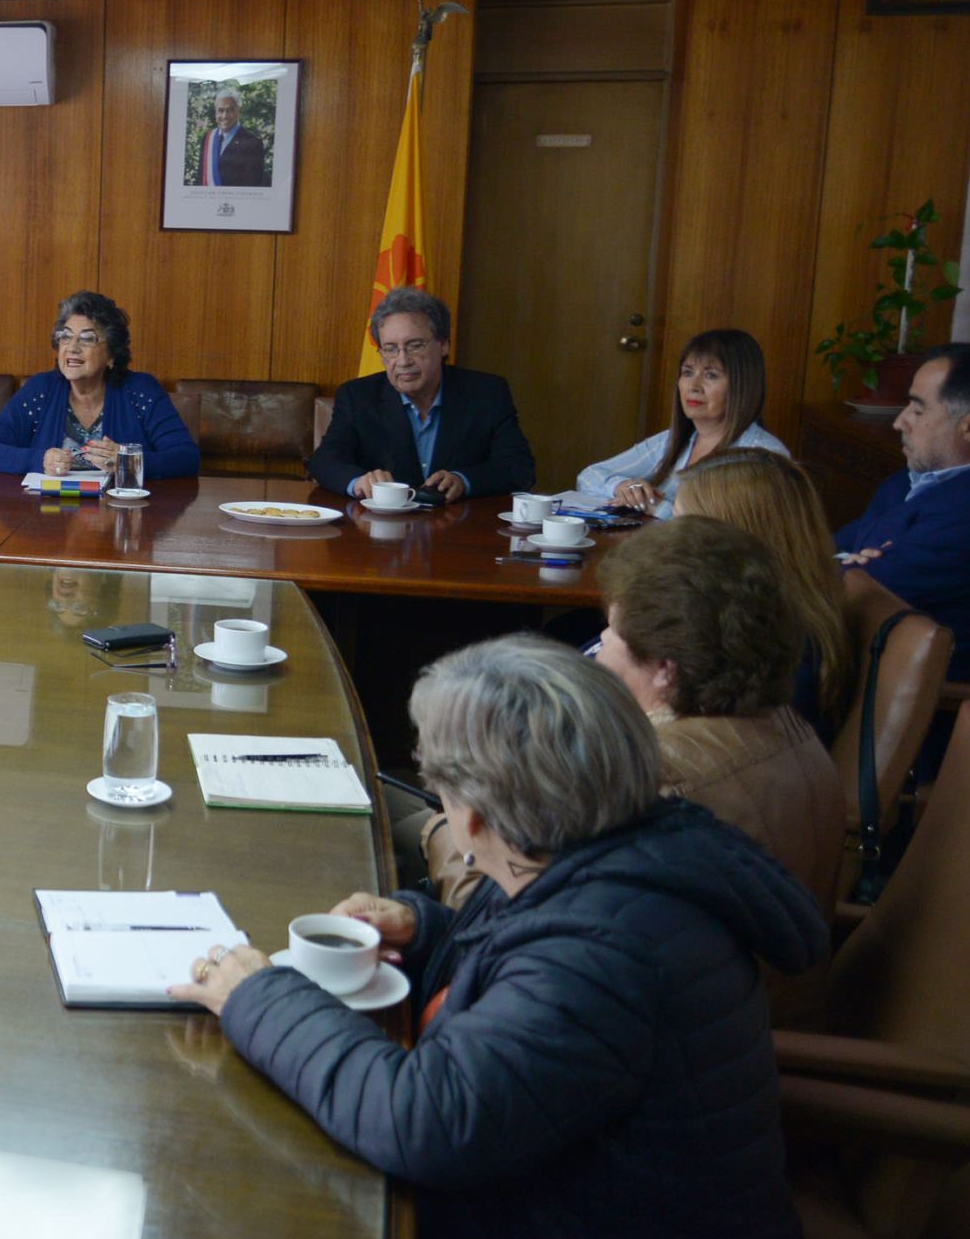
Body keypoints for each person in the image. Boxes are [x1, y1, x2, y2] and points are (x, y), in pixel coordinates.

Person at [171, 635, 825, 1239]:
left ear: (475, 818)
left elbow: (426, 1120)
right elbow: (516, 971)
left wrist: (257, 997)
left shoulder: (604, 952)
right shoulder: (603, 851)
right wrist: (423, 931)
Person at [425, 519, 844, 917]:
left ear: (666, 668)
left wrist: (450, 828)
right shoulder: (793, 730)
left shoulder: (646, 779)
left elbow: (519, 922)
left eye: (612, 635)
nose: (598, 650)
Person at [675, 448, 853, 743]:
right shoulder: (742, 612)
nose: (671, 538)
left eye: (683, 524)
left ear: (737, 538)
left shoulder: (769, 647)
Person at [310, 286, 535, 505]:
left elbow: (519, 467)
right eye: (390, 349)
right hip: (381, 531)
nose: (403, 360)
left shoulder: (487, 393)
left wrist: (464, 481)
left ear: (443, 344)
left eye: (415, 345)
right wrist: (359, 482)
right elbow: (324, 461)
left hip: (459, 531)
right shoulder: (357, 396)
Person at [836, 341, 970, 681]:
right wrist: (849, 563)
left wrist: (849, 567)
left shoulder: (965, 513)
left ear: (969, 427)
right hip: (847, 667)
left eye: (917, 410)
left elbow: (862, 592)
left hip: (896, 703)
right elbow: (822, 551)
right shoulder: (904, 483)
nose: (899, 423)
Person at [0, 290, 199, 478]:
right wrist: (40, 460)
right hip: (50, 518)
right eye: (66, 336)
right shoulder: (40, 389)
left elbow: (186, 458)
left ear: (111, 355)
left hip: (122, 519)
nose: (72, 347)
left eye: (87, 339)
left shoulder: (141, 390)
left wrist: (127, 462)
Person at [573, 328, 786, 514]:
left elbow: (725, 533)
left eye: (711, 375)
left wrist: (657, 507)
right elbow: (588, 476)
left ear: (742, 386)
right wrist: (623, 487)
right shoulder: (672, 440)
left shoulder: (763, 454)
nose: (694, 385)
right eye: (687, 372)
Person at [197, 85, 268, 188]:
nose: (224, 115)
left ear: (238, 111)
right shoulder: (208, 138)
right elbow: (200, 179)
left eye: (230, 110)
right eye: (220, 110)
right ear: (215, 112)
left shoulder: (252, 143)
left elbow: (253, 186)